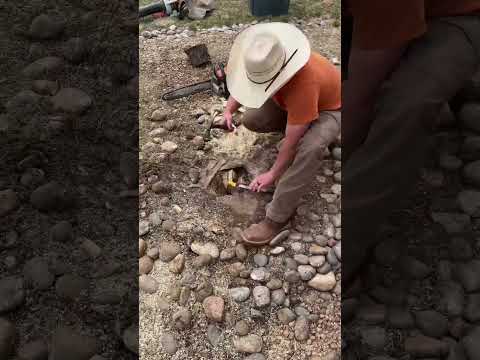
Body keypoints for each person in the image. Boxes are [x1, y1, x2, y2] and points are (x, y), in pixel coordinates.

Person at [342, 1, 480, 288]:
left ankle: (346, 243)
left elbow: (359, 98)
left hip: (458, 16)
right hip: (387, 14)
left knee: (406, 106)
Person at [222, 22, 341, 246]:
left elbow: (291, 144)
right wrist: (228, 111)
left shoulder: (303, 83)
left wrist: (272, 174)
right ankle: (300, 121)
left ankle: (277, 218)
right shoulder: (262, 57)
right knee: (252, 119)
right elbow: (241, 84)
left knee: (309, 148)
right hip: (292, 104)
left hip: (330, 110)